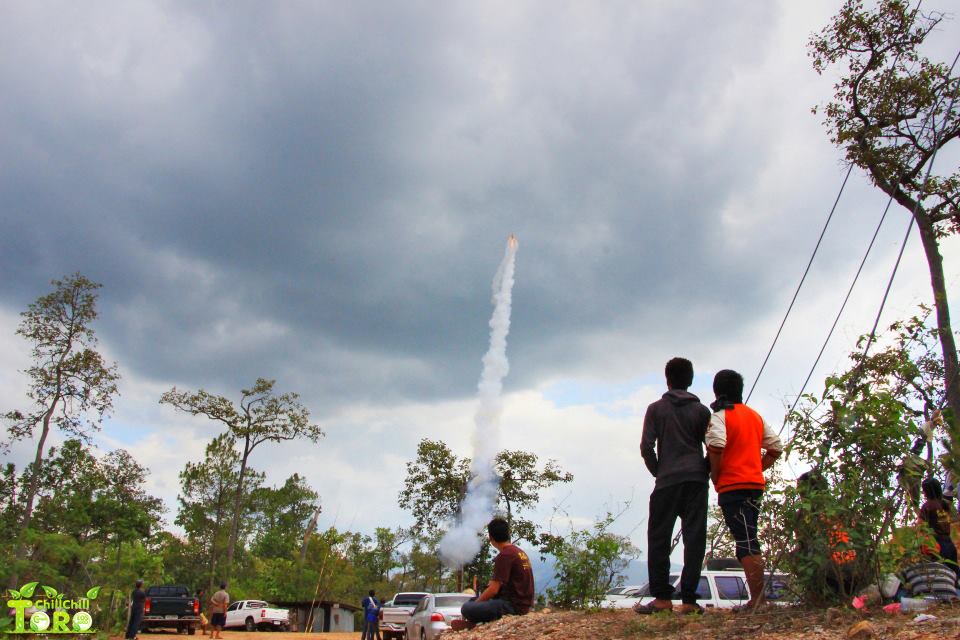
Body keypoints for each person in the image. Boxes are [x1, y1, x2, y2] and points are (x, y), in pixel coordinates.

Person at [636, 357, 711, 615]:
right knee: (695, 539)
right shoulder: (702, 412)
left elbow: (646, 448)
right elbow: (712, 447)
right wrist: (704, 469)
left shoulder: (656, 409)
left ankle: (662, 599)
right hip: (696, 480)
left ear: (667, 379)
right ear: (690, 381)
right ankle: (689, 600)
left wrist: (660, 471)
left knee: (658, 537)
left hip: (667, 481)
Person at [706, 369, 783, 611]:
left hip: (732, 486)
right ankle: (759, 599)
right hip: (754, 485)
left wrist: (716, 475)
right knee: (749, 536)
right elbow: (776, 447)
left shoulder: (720, 416)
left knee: (746, 542)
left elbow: (716, 444)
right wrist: (757, 468)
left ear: (717, 392)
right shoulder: (754, 416)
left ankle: (758, 601)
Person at [460, 518, 534, 624]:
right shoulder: (519, 552)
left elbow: (494, 590)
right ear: (508, 534)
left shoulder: (505, 555)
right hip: (524, 605)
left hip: (512, 607)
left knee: (467, 607)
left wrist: (477, 604)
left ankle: (476, 623)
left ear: (491, 537)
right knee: (472, 601)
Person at [919, 477, 959, 582]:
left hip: (936, 544)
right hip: (949, 543)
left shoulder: (927, 507)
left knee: (941, 577)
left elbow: (920, 527)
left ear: (926, 491)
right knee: (954, 576)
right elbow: (953, 519)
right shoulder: (945, 504)